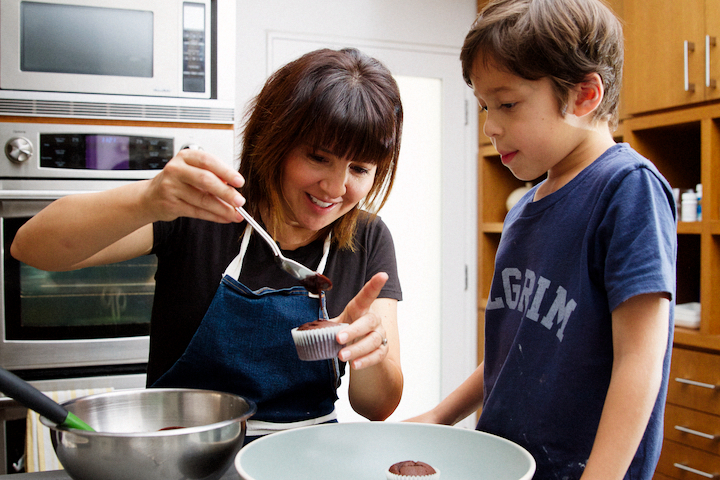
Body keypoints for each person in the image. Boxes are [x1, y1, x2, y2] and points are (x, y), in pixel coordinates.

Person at [11, 47, 404, 442]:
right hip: (185, 454)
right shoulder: (202, 208)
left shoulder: (368, 238)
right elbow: (31, 247)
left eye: (359, 169)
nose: (335, 188)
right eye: (319, 158)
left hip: (304, 456)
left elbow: (378, 407)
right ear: (275, 141)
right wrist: (148, 199)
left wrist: (370, 350)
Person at [407, 1, 676, 479]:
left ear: (583, 95)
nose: (491, 126)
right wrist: (441, 416)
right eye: (485, 107)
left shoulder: (626, 186)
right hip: (506, 462)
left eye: (507, 104)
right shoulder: (523, 209)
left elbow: (640, 360)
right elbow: (514, 348)